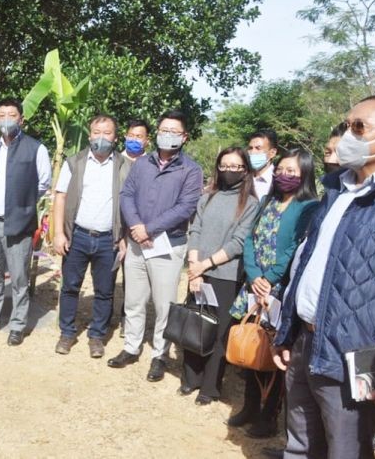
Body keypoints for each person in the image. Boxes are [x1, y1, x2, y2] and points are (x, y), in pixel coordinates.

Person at [274, 95, 375, 457]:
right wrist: (287, 331)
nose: (348, 135)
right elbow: (308, 264)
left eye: (360, 128)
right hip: (305, 343)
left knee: (346, 451)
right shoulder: (334, 189)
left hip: (354, 359)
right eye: (347, 125)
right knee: (299, 446)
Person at [227, 148, 318, 439]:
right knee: (253, 347)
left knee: (275, 354)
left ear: (304, 174)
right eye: (280, 170)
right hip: (253, 287)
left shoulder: (309, 207)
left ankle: (269, 416)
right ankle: (250, 406)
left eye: (291, 171)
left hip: (279, 289)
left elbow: (295, 248)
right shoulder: (267, 201)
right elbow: (251, 241)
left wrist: (269, 278)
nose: (283, 175)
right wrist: (254, 276)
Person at [111, 110, 203, 382]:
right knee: (134, 299)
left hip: (167, 245)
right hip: (138, 244)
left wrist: (149, 229)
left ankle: (159, 355)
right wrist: (137, 227)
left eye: (174, 132)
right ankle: (131, 347)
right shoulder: (142, 164)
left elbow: (185, 207)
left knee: (164, 304)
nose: (168, 135)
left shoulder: (191, 170)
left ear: (184, 137)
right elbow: (126, 195)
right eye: (164, 129)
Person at [182, 147, 259, 405]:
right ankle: (190, 378)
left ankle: (210, 387)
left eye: (235, 166)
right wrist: (194, 267)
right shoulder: (207, 197)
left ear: (245, 170)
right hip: (198, 270)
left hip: (226, 275)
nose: (229, 171)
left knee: (219, 332)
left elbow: (238, 242)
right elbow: (196, 230)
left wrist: (204, 265)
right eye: (224, 166)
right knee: (195, 325)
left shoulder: (250, 204)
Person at [0, 98, 51, 346]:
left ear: (21, 119)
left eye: (12, 115)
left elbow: (43, 184)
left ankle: (17, 325)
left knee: (18, 279)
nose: (6, 120)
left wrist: (23, 206)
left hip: (19, 224)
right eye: (2, 115)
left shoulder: (36, 149)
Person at [53, 114, 126, 357]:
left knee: (105, 291)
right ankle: (67, 332)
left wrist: (124, 237)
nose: (101, 138)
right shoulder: (74, 162)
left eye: (107, 133)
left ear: (115, 137)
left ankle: (97, 336)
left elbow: (131, 203)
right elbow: (60, 196)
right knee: (70, 287)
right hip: (78, 236)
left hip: (109, 239)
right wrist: (58, 233)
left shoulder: (126, 167)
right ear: (89, 135)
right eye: (97, 132)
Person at [115, 119, 151, 337]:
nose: (134, 139)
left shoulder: (150, 164)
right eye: (131, 135)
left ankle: (126, 320)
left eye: (139, 136)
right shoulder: (115, 161)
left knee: (133, 282)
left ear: (147, 140)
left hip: (137, 232)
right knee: (108, 279)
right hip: (113, 228)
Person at [246, 129, 279, 200]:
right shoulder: (243, 177)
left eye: (258, 148)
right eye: (250, 148)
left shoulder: (279, 180)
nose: (252, 152)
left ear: (272, 153)